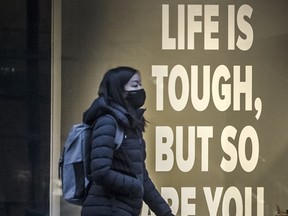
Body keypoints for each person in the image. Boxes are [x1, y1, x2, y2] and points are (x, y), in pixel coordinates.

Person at [81, 66, 175, 216]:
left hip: (121, 209)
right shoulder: (108, 123)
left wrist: (165, 212)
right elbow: (100, 172)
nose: (140, 89)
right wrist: (135, 186)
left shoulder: (129, 125)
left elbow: (141, 176)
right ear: (120, 91)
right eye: (135, 85)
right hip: (107, 209)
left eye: (140, 84)